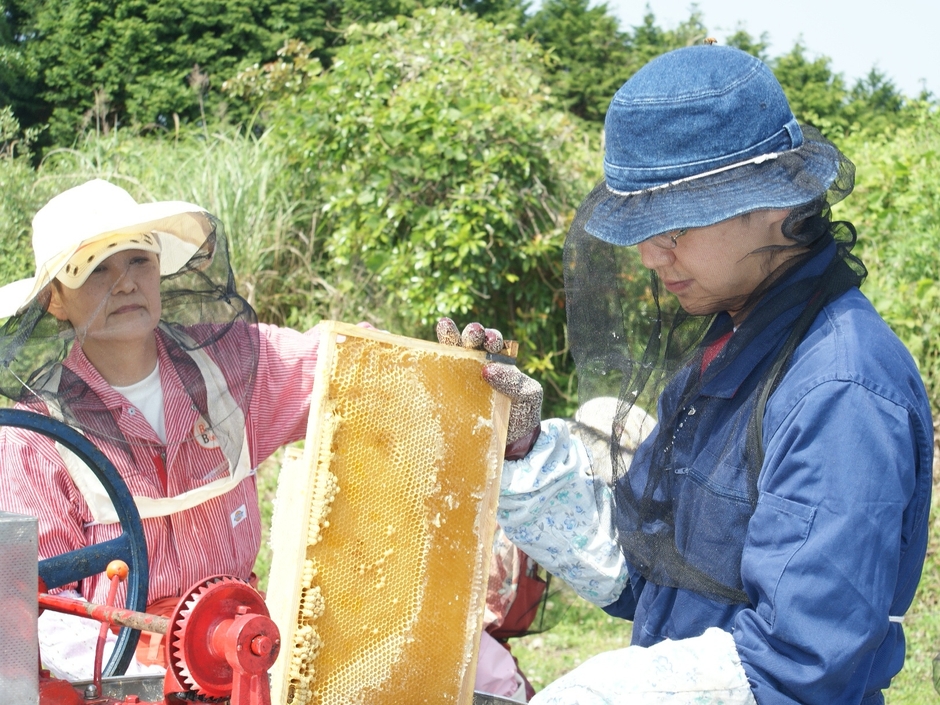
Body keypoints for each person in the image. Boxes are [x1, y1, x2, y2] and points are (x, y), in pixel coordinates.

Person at [438, 44, 933, 705]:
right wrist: (521, 445)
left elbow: (801, 664)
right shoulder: (732, 346)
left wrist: (601, 692)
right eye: (642, 224)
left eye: (677, 221)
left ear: (779, 201)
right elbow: (645, 567)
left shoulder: (841, 386)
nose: (650, 252)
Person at [0, 178, 324, 679]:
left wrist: (463, 367)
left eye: (138, 260)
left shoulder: (233, 364)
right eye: (95, 270)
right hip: (122, 679)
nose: (125, 283)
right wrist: (152, 670)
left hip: (250, 654)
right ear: (56, 301)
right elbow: (42, 608)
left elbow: (344, 367)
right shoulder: (35, 438)